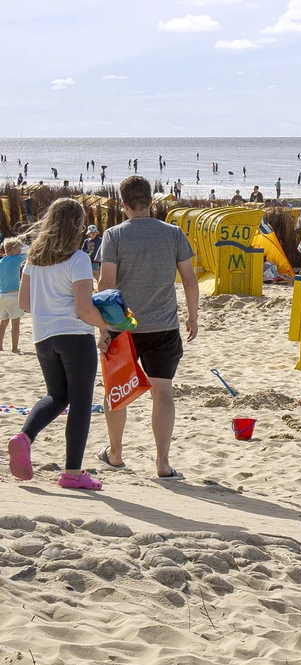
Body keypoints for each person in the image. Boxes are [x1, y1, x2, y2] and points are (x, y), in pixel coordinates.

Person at [96, 176, 198, 479]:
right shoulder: (173, 233)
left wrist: (103, 328)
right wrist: (193, 316)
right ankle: (162, 463)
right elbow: (190, 280)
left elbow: (106, 284)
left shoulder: (114, 235)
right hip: (163, 325)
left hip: (122, 325)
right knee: (162, 391)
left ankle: (115, 453)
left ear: (124, 204)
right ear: (151, 202)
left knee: (116, 390)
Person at [8, 199, 109, 490]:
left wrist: (49, 309)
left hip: (43, 337)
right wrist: (106, 326)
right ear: (77, 225)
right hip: (75, 337)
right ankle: (72, 472)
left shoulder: (33, 260)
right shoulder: (78, 259)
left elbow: (25, 303)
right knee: (80, 403)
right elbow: (84, 309)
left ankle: (24, 436)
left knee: (56, 396)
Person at [0, 238, 27, 353]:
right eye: (18, 250)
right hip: (13, 295)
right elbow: (29, 251)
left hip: (2, 295)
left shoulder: (1, 261)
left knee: (3, 322)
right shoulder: (16, 259)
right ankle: (14, 347)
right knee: (15, 323)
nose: (20, 252)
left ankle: (0, 346)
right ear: (13, 250)